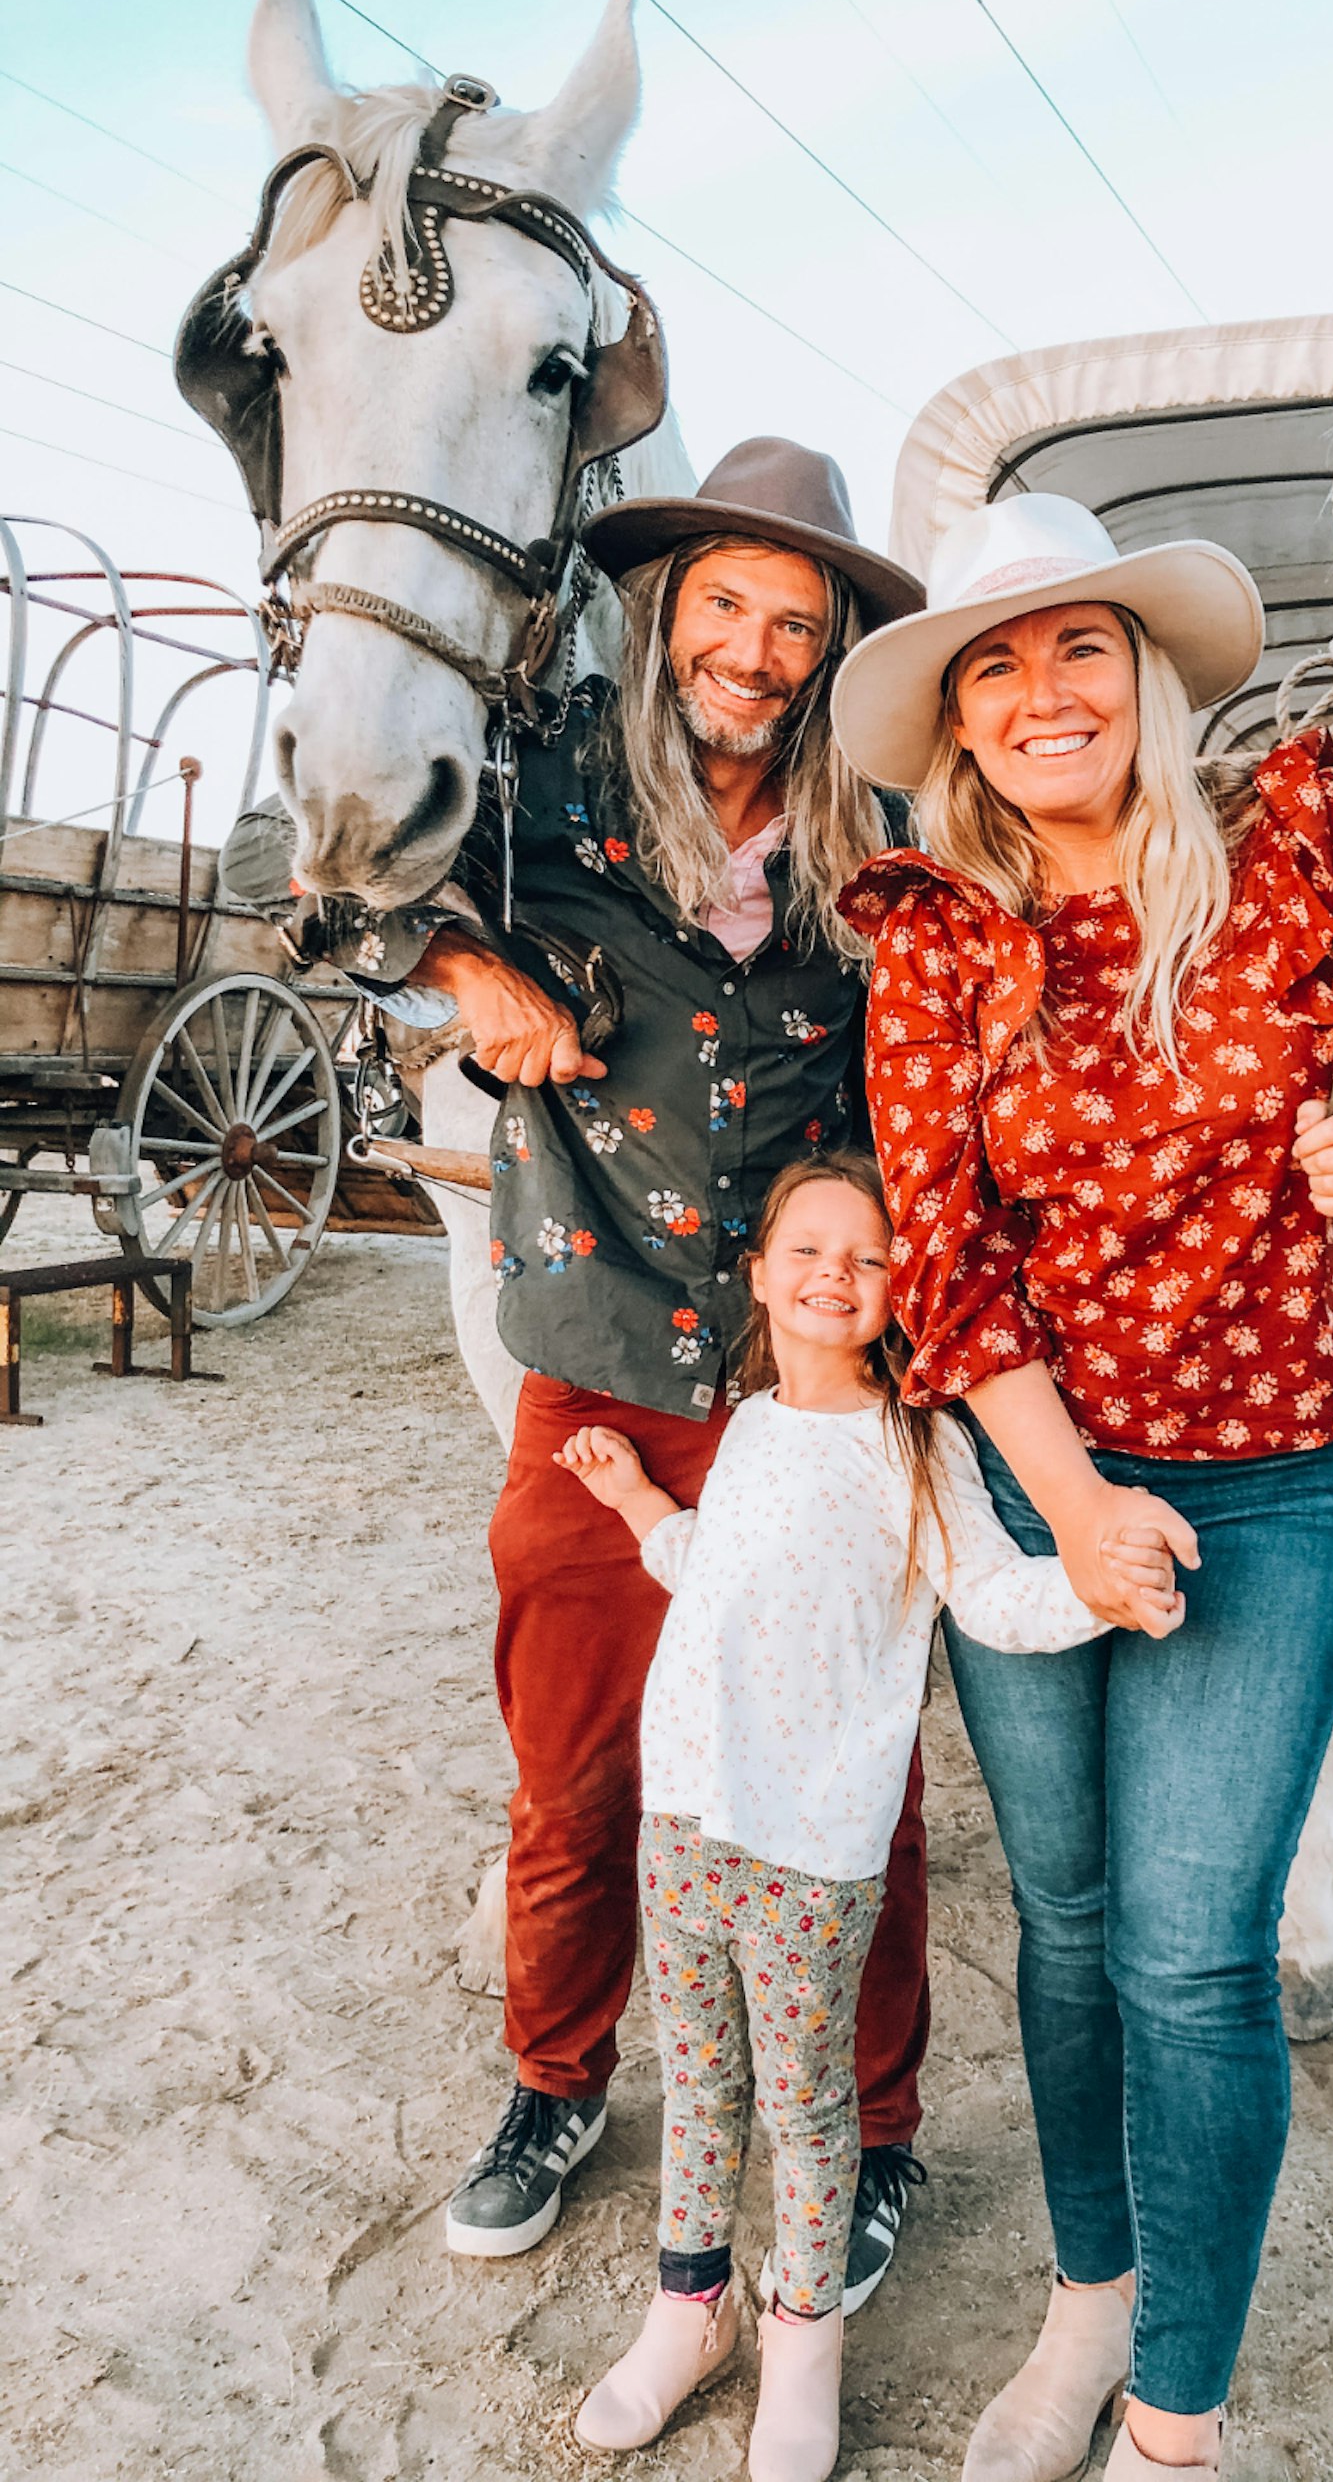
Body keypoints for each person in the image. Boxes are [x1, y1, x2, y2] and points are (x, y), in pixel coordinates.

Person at [831, 494, 1333, 2477]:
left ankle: (1177, 2415)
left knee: (1193, 1949)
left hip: (1283, 1477)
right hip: (1040, 1480)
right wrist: (1075, 1503)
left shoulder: (1303, 837)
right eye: (997, 662)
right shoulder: (938, 929)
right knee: (1062, 1914)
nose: (1045, 692)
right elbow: (943, 1278)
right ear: (959, 716)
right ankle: (1086, 2303)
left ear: (1142, 669)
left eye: (1079, 646)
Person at [243, 441, 940, 2283]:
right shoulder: (540, 786)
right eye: (725, 603)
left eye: (800, 621)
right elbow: (297, 860)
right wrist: (468, 972)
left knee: (855, 1776)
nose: (758, 648)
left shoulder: (886, 839)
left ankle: (875, 2138)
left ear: (834, 647)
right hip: (593, 1366)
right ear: (663, 610)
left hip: (822, 1392)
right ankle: (555, 2080)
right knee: (577, 1774)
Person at [557, 1153, 1170, 2481]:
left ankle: (802, 2342)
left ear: (901, 1294)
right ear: (762, 1275)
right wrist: (640, 1506)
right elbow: (714, 1576)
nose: (837, 1271)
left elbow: (993, 1595)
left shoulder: (918, 1442)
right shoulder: (749, 1423)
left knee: (806, 2105)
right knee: (701, 2084)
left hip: (810, 1847)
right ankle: (687, 2309)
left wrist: (1098, 1593)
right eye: (809, 1249)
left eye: (870, 1257)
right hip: (686, 1822)